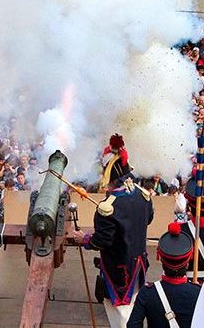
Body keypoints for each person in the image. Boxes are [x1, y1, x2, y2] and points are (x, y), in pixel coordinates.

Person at [74, 135, 153, 327]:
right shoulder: (143, 196)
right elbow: (148, 219)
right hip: (138, 263)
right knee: (133, 305)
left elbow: (102, 240)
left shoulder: (107, 207)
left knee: (120, 313)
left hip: (119, 268)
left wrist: (84, 239)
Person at [127, 222, 200, 328]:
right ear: (187, 262)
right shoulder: (198, 293)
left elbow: (133, 325)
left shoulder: (147, 293)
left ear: (161, 259)